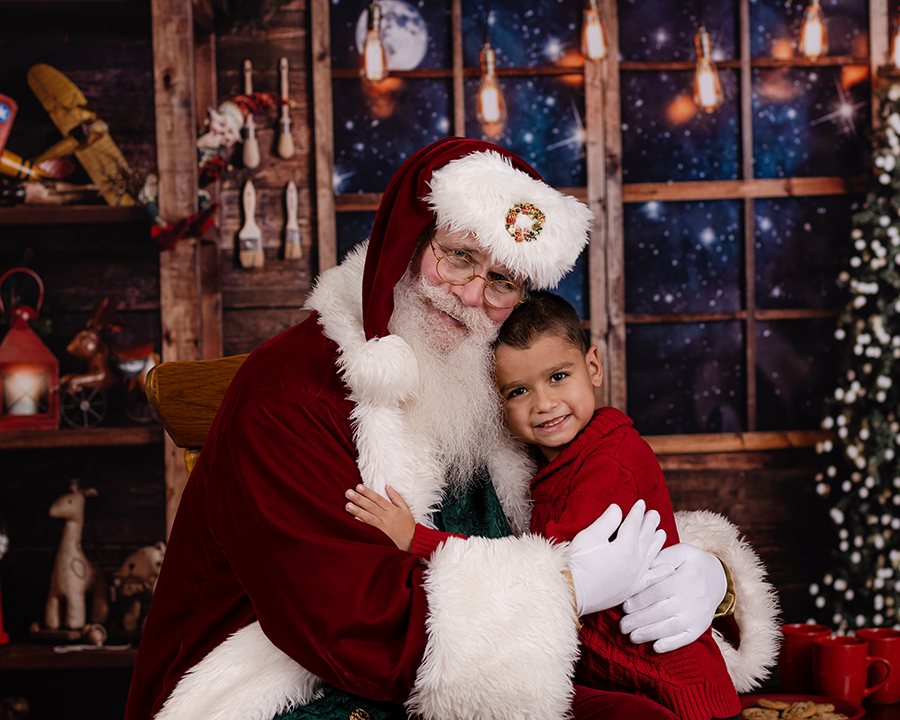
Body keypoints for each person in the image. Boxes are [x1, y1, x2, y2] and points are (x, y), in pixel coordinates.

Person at [125, 138, 778, 720]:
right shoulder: (288, 393)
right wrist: (564, 588)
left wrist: (701, 574)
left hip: (488, 669)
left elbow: (581, 507)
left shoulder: (490, 378)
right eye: (459, 256)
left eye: (502, 281)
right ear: (407, 243)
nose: (471, 295)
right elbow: (347, 622)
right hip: (294, 686)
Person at [347, 291, 745, 720]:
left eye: (558, 376)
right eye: (519, 390)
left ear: (593, 367)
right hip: (620, 684)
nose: (544, 404)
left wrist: (416, 539)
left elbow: (541, 571)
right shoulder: (551, 463)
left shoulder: (611, 461)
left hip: (675, 691)